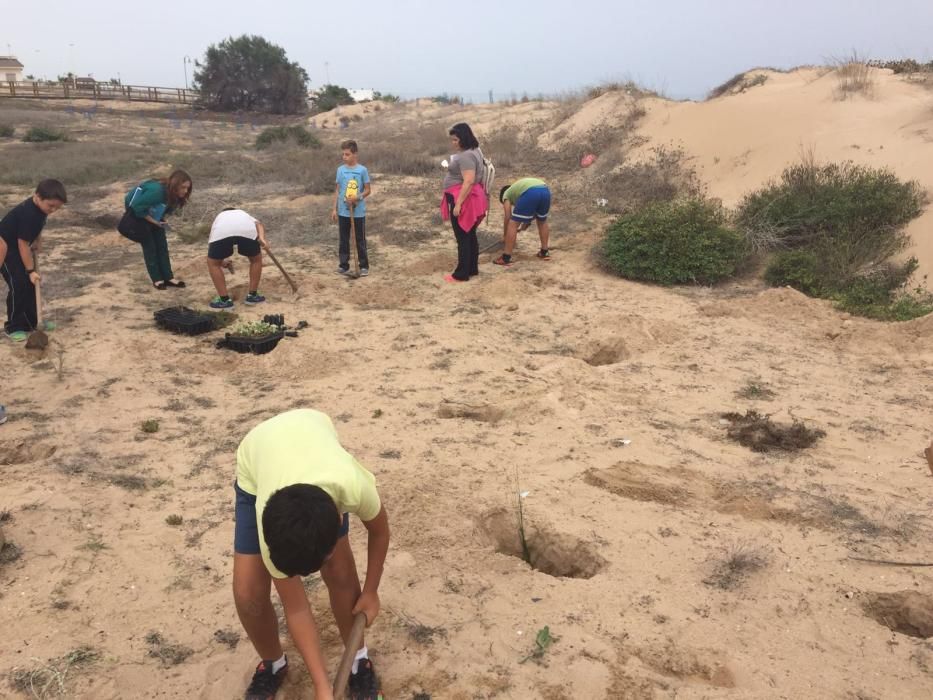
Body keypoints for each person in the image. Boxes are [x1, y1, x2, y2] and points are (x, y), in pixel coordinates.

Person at [233, 409, 389, 700]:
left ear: (339, 521)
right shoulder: (274, 530)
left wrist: (371, 592)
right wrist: (322, 686)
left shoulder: (353, 486)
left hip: (313, 431)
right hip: (258, 460)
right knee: (247, 592)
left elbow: (380, 532)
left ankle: (358, 661)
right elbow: (297, 608)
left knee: (340, 571)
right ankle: (273, 664)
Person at [0, 179, 67, 341]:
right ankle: (13, 326)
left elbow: (37, 227)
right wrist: (30, 271)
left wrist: (37, 241)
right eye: (51, 206)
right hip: (6, 249)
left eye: (57, 207)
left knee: (30, 285)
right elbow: (22, 244)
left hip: (18, 247)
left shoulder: (41, 210)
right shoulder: (28, 213)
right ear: (37, 196)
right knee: (19, 284)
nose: (53, 210)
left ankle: (32, 322)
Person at [121, 170, 192, 290]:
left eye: (187, 188)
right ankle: (157, 279)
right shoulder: (157, 192)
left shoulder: (173, 195)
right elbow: (137, 207)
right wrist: (154, 221)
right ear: (175, 185)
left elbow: (164, 208)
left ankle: (168, 278)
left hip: (154, 216)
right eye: (183, 187)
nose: (185, 191)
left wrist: (161, 220)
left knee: (162, 246)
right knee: (150, 247)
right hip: (139, 216)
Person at [440, 122, 487, 282]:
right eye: (452, 140)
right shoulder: (474, 150)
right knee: (469, 234)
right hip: (472, 197)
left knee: (463, 236)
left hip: (465, 198)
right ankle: (472, 268)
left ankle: (461, 274)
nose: (453, 143)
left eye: (455, 140)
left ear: (463, 138)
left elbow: (468, 181)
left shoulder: (466, 156)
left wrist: (458, 204)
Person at [206, 208, 269, 309]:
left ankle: (224, 301)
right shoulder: (243, 214)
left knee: (213, 263)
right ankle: (253, 296)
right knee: (256, 260)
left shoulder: (219, 218)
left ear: (223, 211)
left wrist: (220, 261)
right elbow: (259, 224)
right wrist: (261, 238)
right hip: (246, 231)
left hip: (222, 232)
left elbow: (213, 243)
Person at [332, 140, 372, 277]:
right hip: (343, 211)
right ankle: (343, 265)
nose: (344, 157)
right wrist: (334, 209)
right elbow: (337, 191)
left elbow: (368, 190)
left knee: (360, 239)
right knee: (343, 239)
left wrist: (357, 198)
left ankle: (364, 266)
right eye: (343, 154)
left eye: (347, 154)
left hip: (358, 212)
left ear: (355, 154)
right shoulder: (340, 170)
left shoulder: (362, 170)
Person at [494, 178, 552, 266]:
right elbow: (532, 214)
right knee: (542, 221)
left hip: (531, 192)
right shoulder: (518, 190)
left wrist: (505, 235)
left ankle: (506, 258)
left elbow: (508, 216)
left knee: (512, 224)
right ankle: (544, 252)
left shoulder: (506, 194)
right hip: (545, 190)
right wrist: (523, 226)